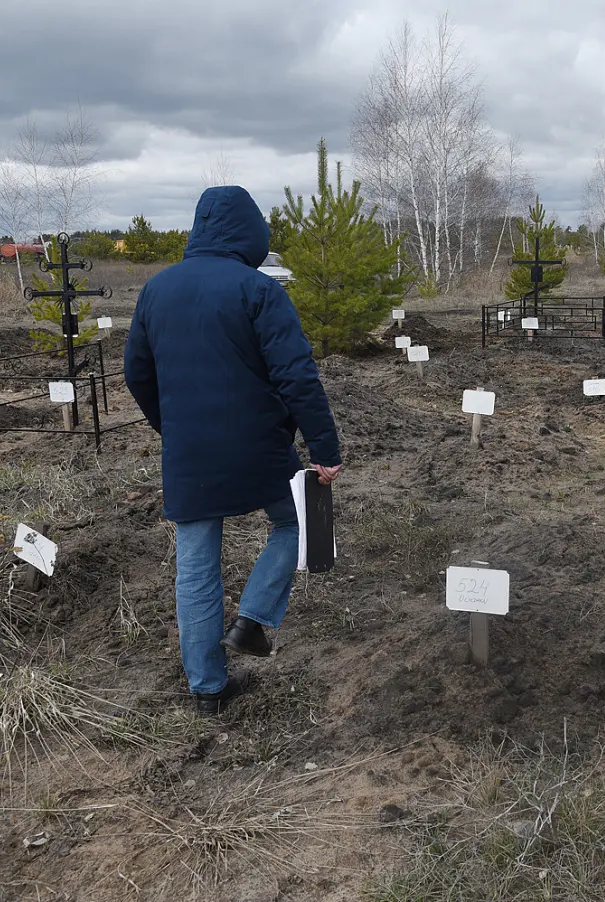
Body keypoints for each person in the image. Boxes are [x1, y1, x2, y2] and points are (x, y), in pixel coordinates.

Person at [124, 185, 342, 716]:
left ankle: (208, 688)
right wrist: (324, 446)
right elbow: (296, 376)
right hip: (259, 447)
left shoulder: (156, 291)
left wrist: (171, 429)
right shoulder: (259, 290)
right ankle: (254, 619)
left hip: (188, 454)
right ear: (251, 233)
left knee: (195, 568)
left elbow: (136, 375)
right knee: (300, 523)